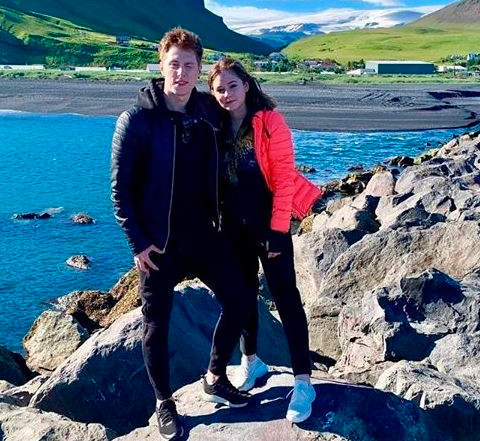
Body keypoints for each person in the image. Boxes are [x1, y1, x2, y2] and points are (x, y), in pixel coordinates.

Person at [111, 30, 256, 440]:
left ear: (198, 70)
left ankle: (215, 377)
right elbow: (120, 189)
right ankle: (164, 402)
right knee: (156, 325)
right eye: (174, 64)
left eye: (189, 65)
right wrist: (138, 243)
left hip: (204, 235)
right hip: (159, 243)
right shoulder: (137, 120)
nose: (181, 72)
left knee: (241, 299)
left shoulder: (208, 110)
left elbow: (245, 114)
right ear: (161, 65)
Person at [207, 57, 323, 424]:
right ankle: (251, 362)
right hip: (232, 228)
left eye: (233, 86)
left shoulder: (270, 122)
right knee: (244, 298)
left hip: (269, 225)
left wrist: (277, 230)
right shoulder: (215, 125)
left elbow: (285, 179)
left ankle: (303, 382)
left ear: (246, 84)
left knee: (286, 297)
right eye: (219, 89)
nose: (227, 94)